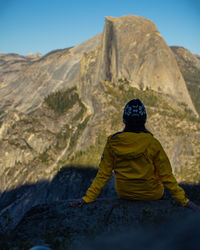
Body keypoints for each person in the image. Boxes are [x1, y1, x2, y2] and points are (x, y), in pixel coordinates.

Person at [71, 99, 200, 211]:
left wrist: (88, 198)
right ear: (144, 120)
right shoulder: (152, 143)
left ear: (124, 120)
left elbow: (103, 174)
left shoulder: (113, 142)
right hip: (152, 194)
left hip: (125, 193)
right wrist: (184, 201)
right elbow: (166, 176)